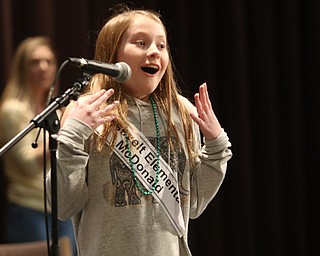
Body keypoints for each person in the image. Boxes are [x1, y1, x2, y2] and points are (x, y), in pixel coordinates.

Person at [46, 6, 232, 256]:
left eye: (161, 45)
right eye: (141, 43)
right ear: (113, 54)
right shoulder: (87, 112)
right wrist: (72, 136)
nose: (154, 51)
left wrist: (216, 145)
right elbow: (63, 205)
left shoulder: (182, 111)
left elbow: (194, 203)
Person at [0, 36, 77, 255]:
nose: (43, 68)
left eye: (48, 61)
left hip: (62, 208)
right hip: (30, 210)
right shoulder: (13, 109)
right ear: (22, 68)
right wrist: (66, 131)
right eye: (35, 62)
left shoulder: (58, 109)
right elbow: (28, 163)